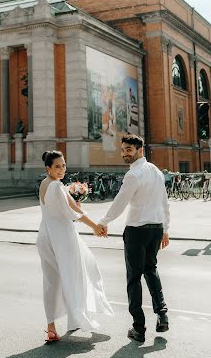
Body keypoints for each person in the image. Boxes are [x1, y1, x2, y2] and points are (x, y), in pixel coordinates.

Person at [98, 134, 170, 343]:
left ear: (140, 150)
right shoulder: (156, 171)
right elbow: (165, 203)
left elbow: (120, 202)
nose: (124, 154)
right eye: (123, 150)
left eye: (129, 150)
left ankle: (139, 328)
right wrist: (164, 229)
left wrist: (104, 221)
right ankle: (162, 314)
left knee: (133, 278)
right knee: (151, 270)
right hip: (155, 229)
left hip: (137, 231)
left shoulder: (134, 175)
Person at [36, 150, 113, 342]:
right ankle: (77, 316)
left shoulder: (45, 184)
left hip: (45, 235)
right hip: (62, 236)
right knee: (74, 276)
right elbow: (73, 211)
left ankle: (51, 327)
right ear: (48, 168)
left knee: (52, 282)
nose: (62, 169)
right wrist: (95, 226)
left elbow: (69, 207)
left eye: (63, 166)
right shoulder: (56, 186)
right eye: (57, 166)